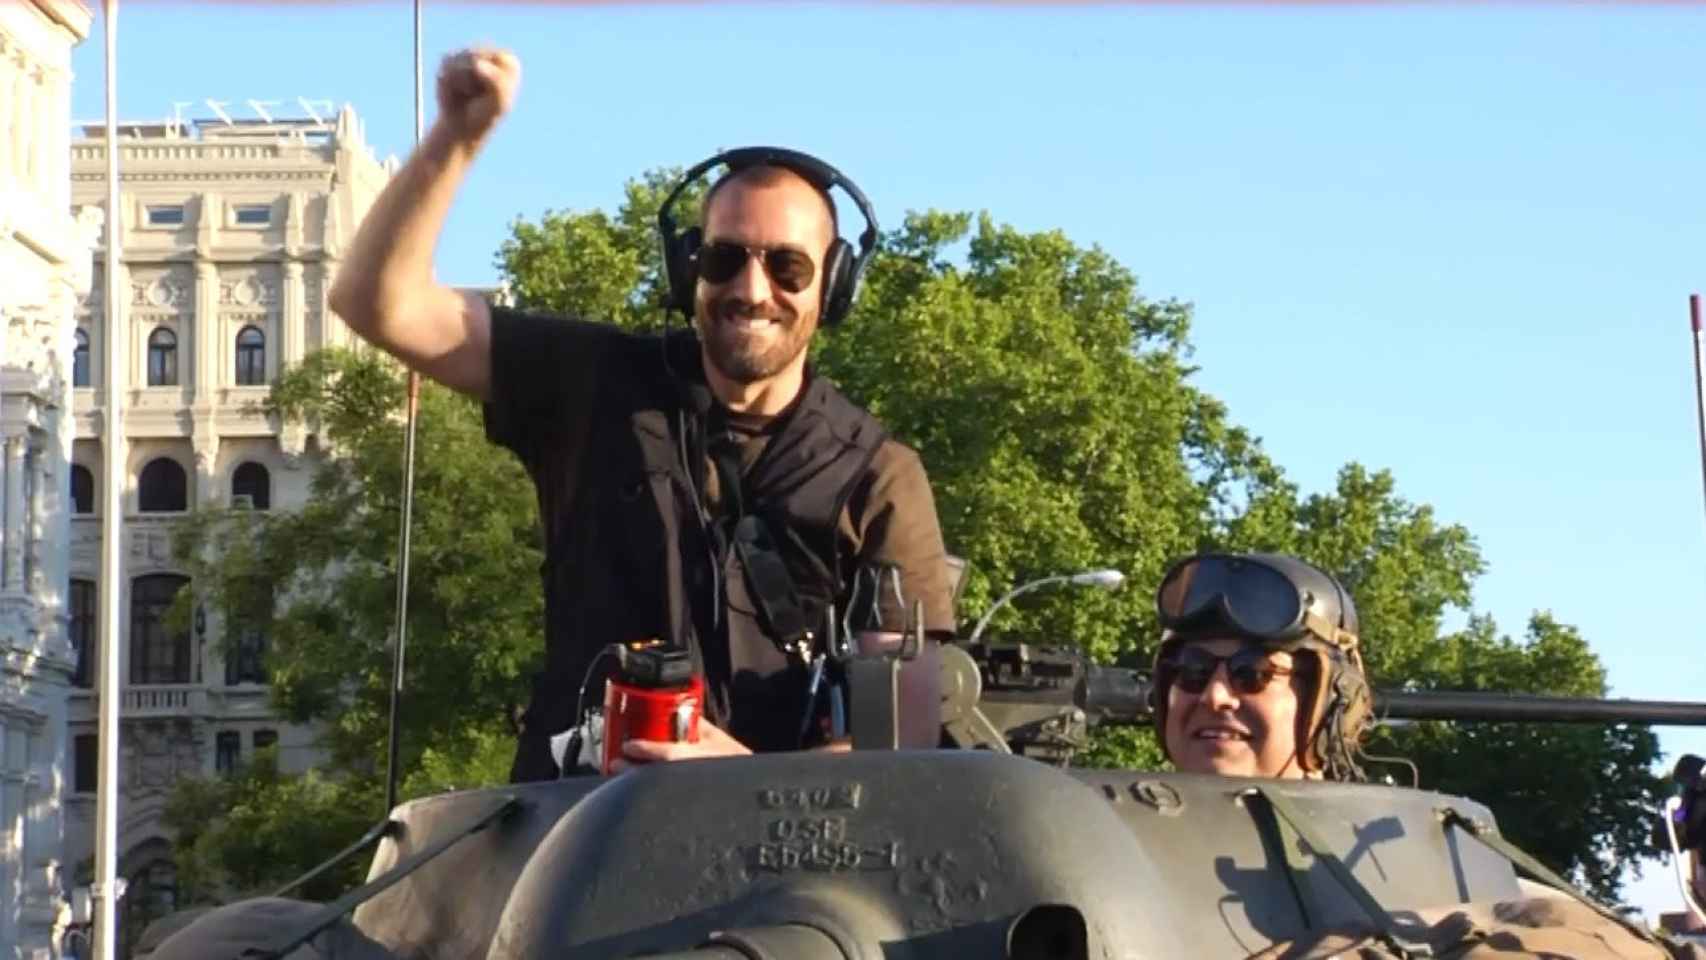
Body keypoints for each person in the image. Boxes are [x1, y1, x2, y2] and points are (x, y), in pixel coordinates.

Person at [328, 47, 956, 782]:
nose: (753, 290)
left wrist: (749, 777)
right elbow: (377, 304)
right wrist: (458, 137)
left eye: (787, 266)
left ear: (834, 286)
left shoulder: (878, 474)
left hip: (785, 865)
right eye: (725, 259)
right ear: (688, 267)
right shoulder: (589, 381)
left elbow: (906, 732)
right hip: (569, 841)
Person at [1148, 551, 1372, 781]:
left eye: (1252, 673)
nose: (1215, 696)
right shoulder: (1115, 811)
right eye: (1192, 669)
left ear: (1333, 703)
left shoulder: (1389, 817)